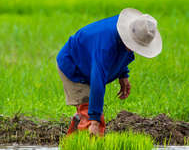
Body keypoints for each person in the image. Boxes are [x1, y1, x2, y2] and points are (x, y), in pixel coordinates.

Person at [56, 8, 162, 136]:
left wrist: (123, 75)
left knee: (91, 114)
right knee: (90, 114)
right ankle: (82, 146)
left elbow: (120, 53)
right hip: (74, 65)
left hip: (89, 63)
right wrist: (94, 121)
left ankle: (78, 135)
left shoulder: (131, 30)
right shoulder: (104, 48)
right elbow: (98, 81)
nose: (134, 49)